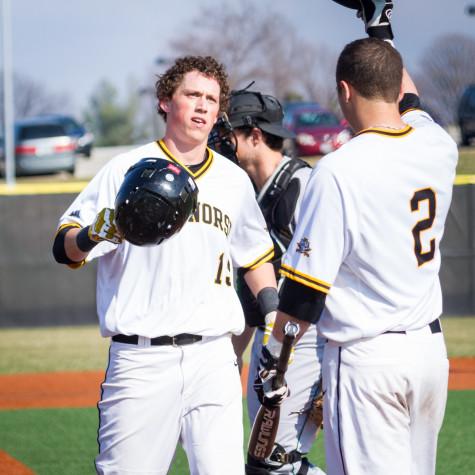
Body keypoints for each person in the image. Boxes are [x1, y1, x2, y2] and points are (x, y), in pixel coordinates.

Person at [256, 2, 458, 474]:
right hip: (429, 355)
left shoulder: (339, 170)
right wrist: (379, 24)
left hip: (369, 360)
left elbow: (304, 295)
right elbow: (408, 98)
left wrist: (274, 359)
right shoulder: (436, 143)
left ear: (343, 91)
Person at [52, 55, 278, 475]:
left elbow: (256, 257)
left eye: (212, 99)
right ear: (164, 101)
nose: (202, 106)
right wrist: (91, 236)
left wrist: (272, 319)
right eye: (192, 94)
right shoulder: (123, 169)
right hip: (141, 360)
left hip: (214, 357)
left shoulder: (232, 180)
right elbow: (63, 248)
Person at [209, 90, 326, 475]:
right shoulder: (245, 192)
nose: (222, 141)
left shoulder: (303, 186)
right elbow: (249, 297)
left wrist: (328, 374)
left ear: (255, 135)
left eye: (231, 133)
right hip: (272, 346)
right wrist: (227, 364)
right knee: (264, 465)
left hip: (308, 340)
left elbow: (333, 278)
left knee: (276, 465)